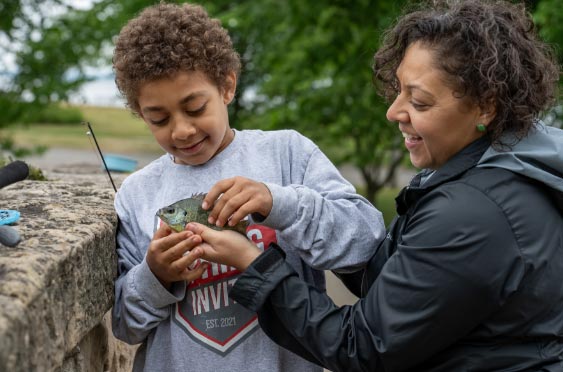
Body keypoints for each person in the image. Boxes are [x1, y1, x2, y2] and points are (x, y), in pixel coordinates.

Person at [184, 0, 563, 371]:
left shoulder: (473, 213)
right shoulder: (508, 165)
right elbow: (391, 280)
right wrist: (279, 205)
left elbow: (361, 348)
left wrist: (254, 265)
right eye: (398, 90)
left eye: (419, 101)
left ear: (487, 106)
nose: (393, 111)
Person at [110, 3, 385, 372]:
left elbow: (364, 240)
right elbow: (125, 326)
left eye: (194, 108)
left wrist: (279, 203)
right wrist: (155, 275)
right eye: (158, 118)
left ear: (227, 86)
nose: (181, 130)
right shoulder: (136, 194)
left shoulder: (288, 153)